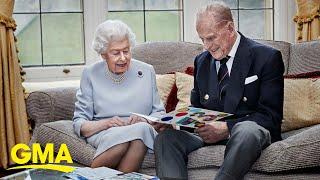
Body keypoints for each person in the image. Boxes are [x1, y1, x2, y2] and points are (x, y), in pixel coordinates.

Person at [154, 2, 284, 180]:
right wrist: (175, 124)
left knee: (247, 130)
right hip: (207, 136)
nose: (206, 46)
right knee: (166, 138)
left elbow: (271, 117)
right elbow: (197, 111)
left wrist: (227, 129)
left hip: (247, 136)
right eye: (202, 39)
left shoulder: (267, 57)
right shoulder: (202, 61)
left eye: (211, 38)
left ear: (229, 28)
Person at [72, 20, 165, 173]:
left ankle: (87, 175)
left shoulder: (147, 71)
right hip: (104, 132)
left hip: (142, 130)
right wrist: (107, 123)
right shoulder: (91, 74)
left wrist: (145, 119)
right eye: (116, 53)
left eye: (126, 51)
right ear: (103, 54)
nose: (123, 58)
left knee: (139, 131)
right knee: (129, 139)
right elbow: (80, 123)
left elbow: (159, 114)